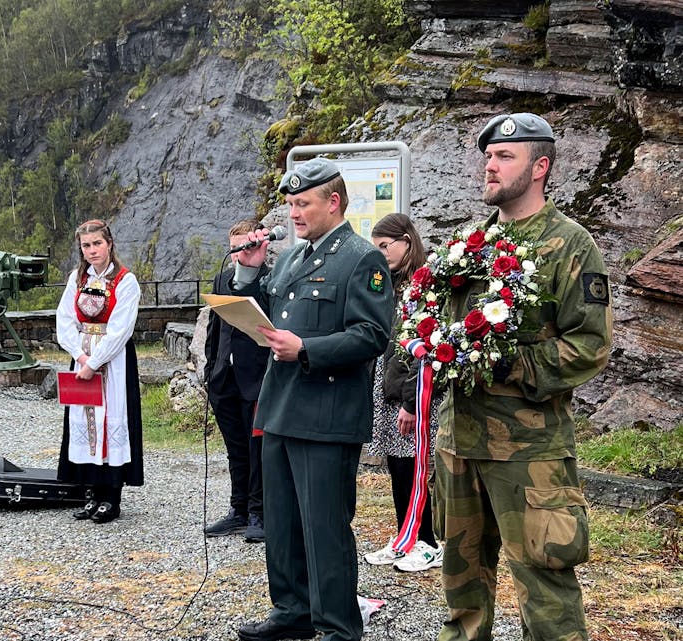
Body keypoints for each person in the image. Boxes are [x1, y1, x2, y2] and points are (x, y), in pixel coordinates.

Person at [432, 113, 612, 641]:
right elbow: (443, 329)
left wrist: (512, 363)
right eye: (488, 156)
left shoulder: (570, 245)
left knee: (543, 577)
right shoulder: (470, 243)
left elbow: (591, 346)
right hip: (459, 438)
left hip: (528, 448)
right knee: (460, 580)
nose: (490, 165)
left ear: (540, 167)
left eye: (504, 156)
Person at [233, 157, 393, 641]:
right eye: (290, 204)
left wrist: (307, 349)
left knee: (324, 528)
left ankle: (338, 626)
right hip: (282, 408)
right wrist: (247, 275)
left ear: (334, 202)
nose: (294, 214)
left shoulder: (362, 258)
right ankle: (292, 609)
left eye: (303, 204)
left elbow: (372, 335)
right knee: (281, 525)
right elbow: (273, 309)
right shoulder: (294, 258)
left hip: (327, 414)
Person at [364, 213, 443, 572]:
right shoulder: (393, 284)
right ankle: (404, 537)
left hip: (414, 392)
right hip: (391, 387)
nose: (381, 253)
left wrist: (412, 401)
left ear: (407, 242)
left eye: (385, 246)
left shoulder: (425, 285)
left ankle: (426, 541)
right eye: (376, 247)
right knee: (398, 466)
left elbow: (426, 348)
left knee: (414, 465)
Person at [56, 219, 143, 524]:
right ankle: (91, 492)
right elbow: (64, 320)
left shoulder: (125, 281)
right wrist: (80, 357)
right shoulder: (77, 279)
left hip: (113, 361)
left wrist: (95, 362)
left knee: (111, 419)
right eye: (86, 245)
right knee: (85, 420)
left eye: (97, 244)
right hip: (82, 356)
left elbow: (121, 330)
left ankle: (112, 496)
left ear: (109, 244)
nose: (92, 250)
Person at [203, 219, 270, 543]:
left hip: (255, 377)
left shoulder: (269, 279)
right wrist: (209, 370)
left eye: (243, 247)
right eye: (233, 249)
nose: (237, 256)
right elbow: (214, 329)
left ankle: (259, 512)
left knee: (257, 448)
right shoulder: (222, 279)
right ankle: (238, 509)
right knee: (235, 449)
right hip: (223, 377)